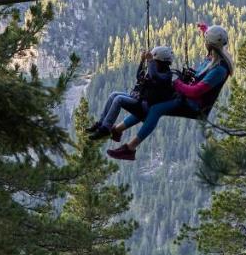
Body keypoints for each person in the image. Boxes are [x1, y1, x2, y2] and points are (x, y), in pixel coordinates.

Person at [107, 24, 232, 161]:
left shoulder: (219, 69)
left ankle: (130, 148)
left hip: (195, 105)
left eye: (206, 40)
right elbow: (211, 49)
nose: (205, 42)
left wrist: (177, 83)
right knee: (150, 102)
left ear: (211, 45)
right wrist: (205, 30)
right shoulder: (214, 57)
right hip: (187, 97)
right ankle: (117, 130)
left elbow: (196, 91)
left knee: (155, 109)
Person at [85, 45, 176, 141]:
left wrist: (150, 61)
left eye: (155, 61)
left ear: (162, 62)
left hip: (146, 109)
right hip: (140, 100)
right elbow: (139, 76)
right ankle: (100, 123)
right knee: (113, 95)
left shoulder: (166, 75)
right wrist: (142, 61)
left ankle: (105, 128)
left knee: (118, 100)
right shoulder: (155, 70)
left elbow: (154, 77)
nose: (153, 63)